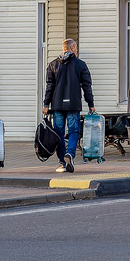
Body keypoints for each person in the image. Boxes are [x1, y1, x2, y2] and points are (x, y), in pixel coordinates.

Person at [43, 38, 94, 174]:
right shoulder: (80, 65)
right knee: (73, 131)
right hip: (73, 104)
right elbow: (87, 86)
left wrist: (46, 104)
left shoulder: (53, 65)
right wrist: (91, 104)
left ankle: (62, 162)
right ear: (72, 48)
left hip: (57, 104)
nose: (76, 50)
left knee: (58, 132)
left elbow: (49, 86)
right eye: (75, 47)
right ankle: (70, 154)